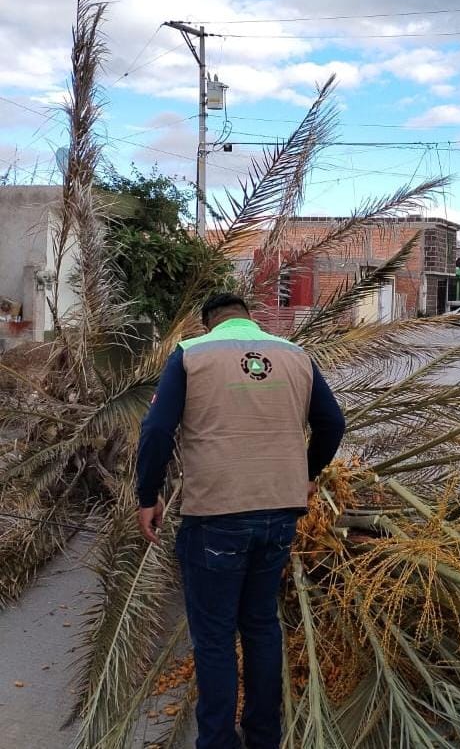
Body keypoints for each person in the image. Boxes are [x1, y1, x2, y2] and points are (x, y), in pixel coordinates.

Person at [135, 293, 345, 749]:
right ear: (250, 319)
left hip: (215, 516)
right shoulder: (296, 356)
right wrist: (305, 473)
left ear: (208, 322)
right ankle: (264, 737)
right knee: (261, 624)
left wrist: (147, 495)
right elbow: (333, 424)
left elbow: (155, 430)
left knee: (214, 637)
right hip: (279, 514)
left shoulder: (191, 355)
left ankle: (217, 742)